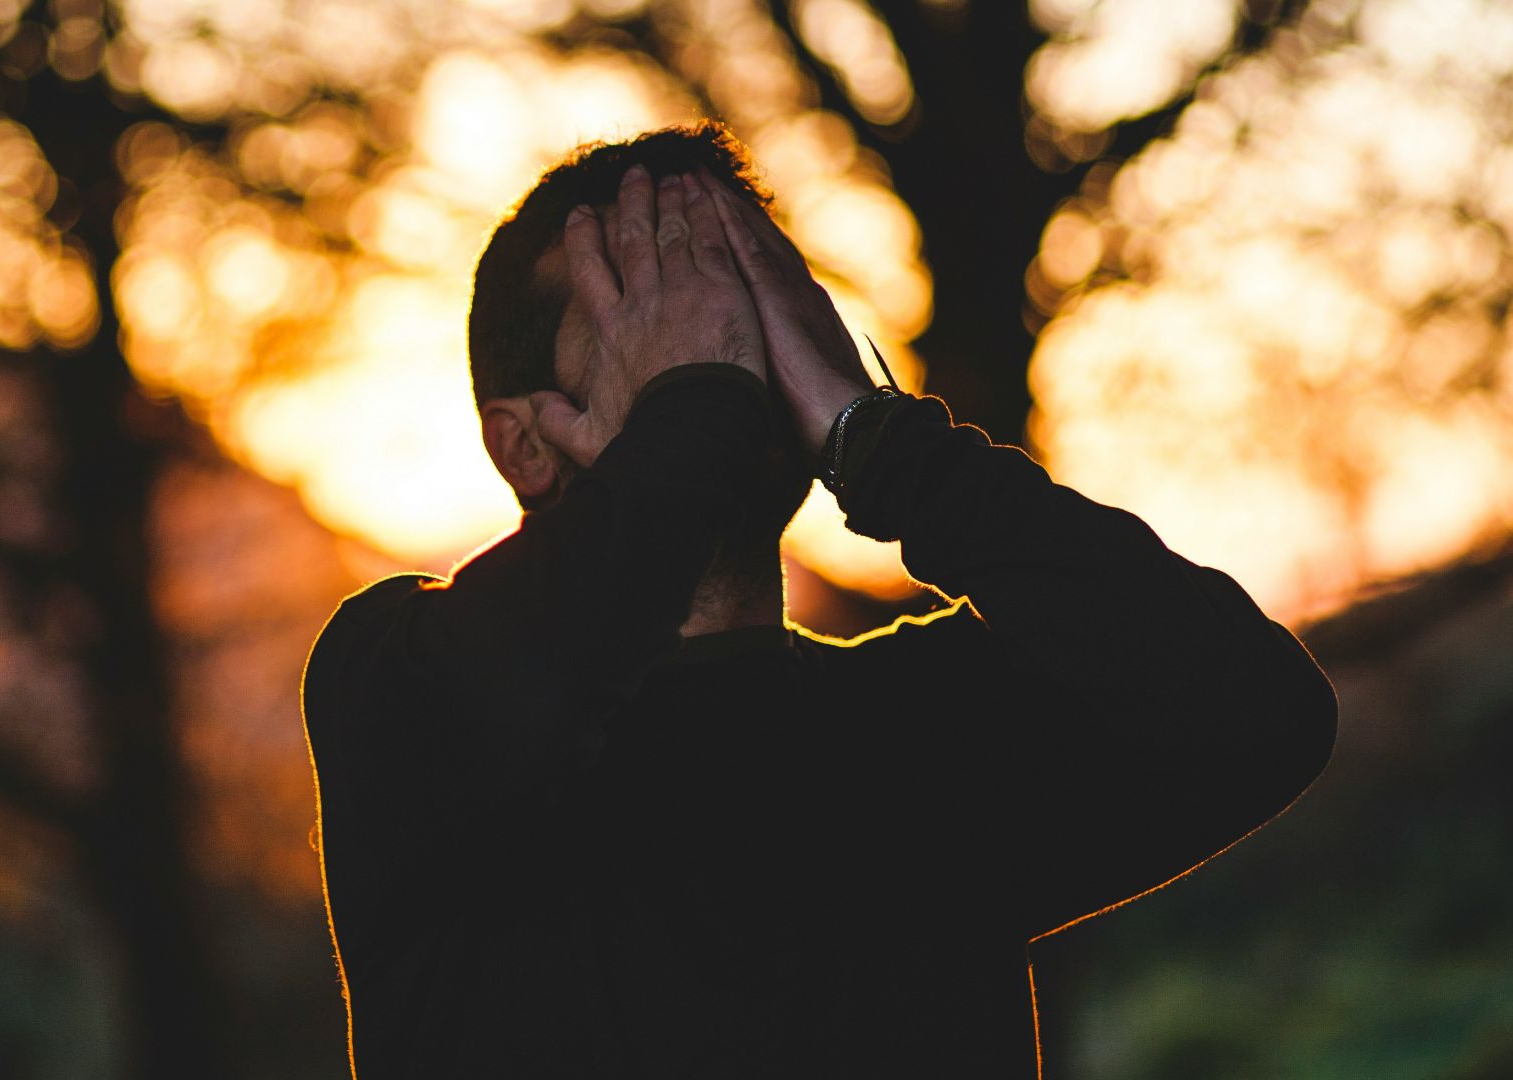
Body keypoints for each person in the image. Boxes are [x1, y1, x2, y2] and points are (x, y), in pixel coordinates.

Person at [300, 121, 1337, 1078]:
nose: (728, 346)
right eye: (659, 315)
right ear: (523, 444)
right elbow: (528, 687)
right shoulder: (396, 685)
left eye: (749, 299)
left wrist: (880, 443)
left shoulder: (937, 722)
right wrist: (696, 408)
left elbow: (1261, 713)